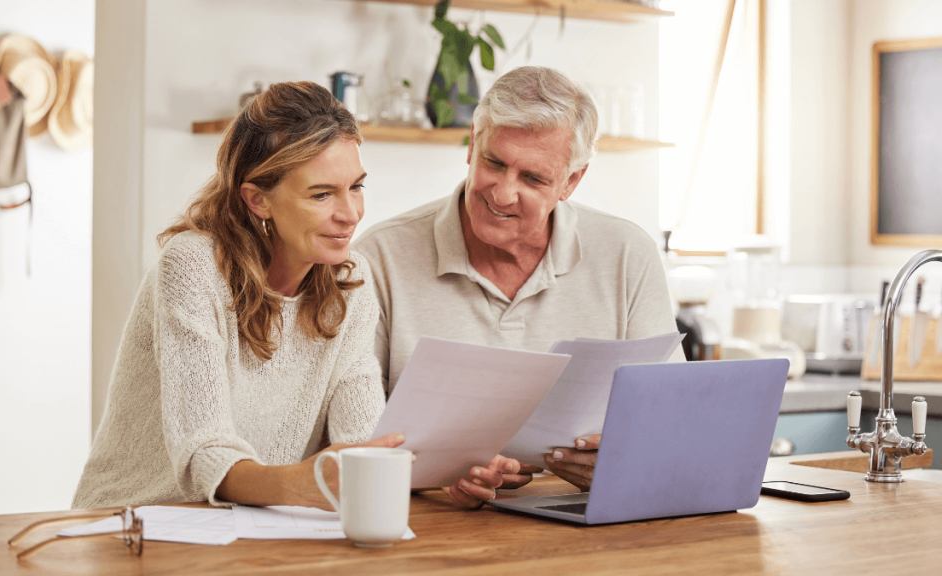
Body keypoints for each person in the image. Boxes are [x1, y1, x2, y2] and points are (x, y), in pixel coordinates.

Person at [72, 82, 511, 510]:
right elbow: (204, 451)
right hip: (132, 522)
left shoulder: (349, 281)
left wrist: (441, 472)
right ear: (258, 200)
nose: (350, 214)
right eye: (322, 195)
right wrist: (297, 485)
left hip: (253, 529)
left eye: (356, 187)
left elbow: (362, 438)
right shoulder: (193, 268)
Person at [355, 67, 685, 492]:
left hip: (581, 516)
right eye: (495, 162)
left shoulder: (627, 254)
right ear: (473, 145)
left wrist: (628, 456)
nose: (503, 193)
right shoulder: (379, 256)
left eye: (533, 178)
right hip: (426, 521)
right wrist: (434, 478)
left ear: (570, 181)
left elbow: (670, 416)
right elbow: (353, 435)